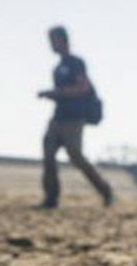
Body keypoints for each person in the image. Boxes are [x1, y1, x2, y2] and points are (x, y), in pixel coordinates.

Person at [37, 26, 113, 209]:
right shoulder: (57, 68)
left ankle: (105, 190)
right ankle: (51, 198)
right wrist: (52, 95)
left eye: (53, 41)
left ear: (63, 41)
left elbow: (83, 88)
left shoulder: (75, 63)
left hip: (73, 119)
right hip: (58, 118)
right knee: (48, 155)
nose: (51, 45)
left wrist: (56, 92)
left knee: (76, 157)